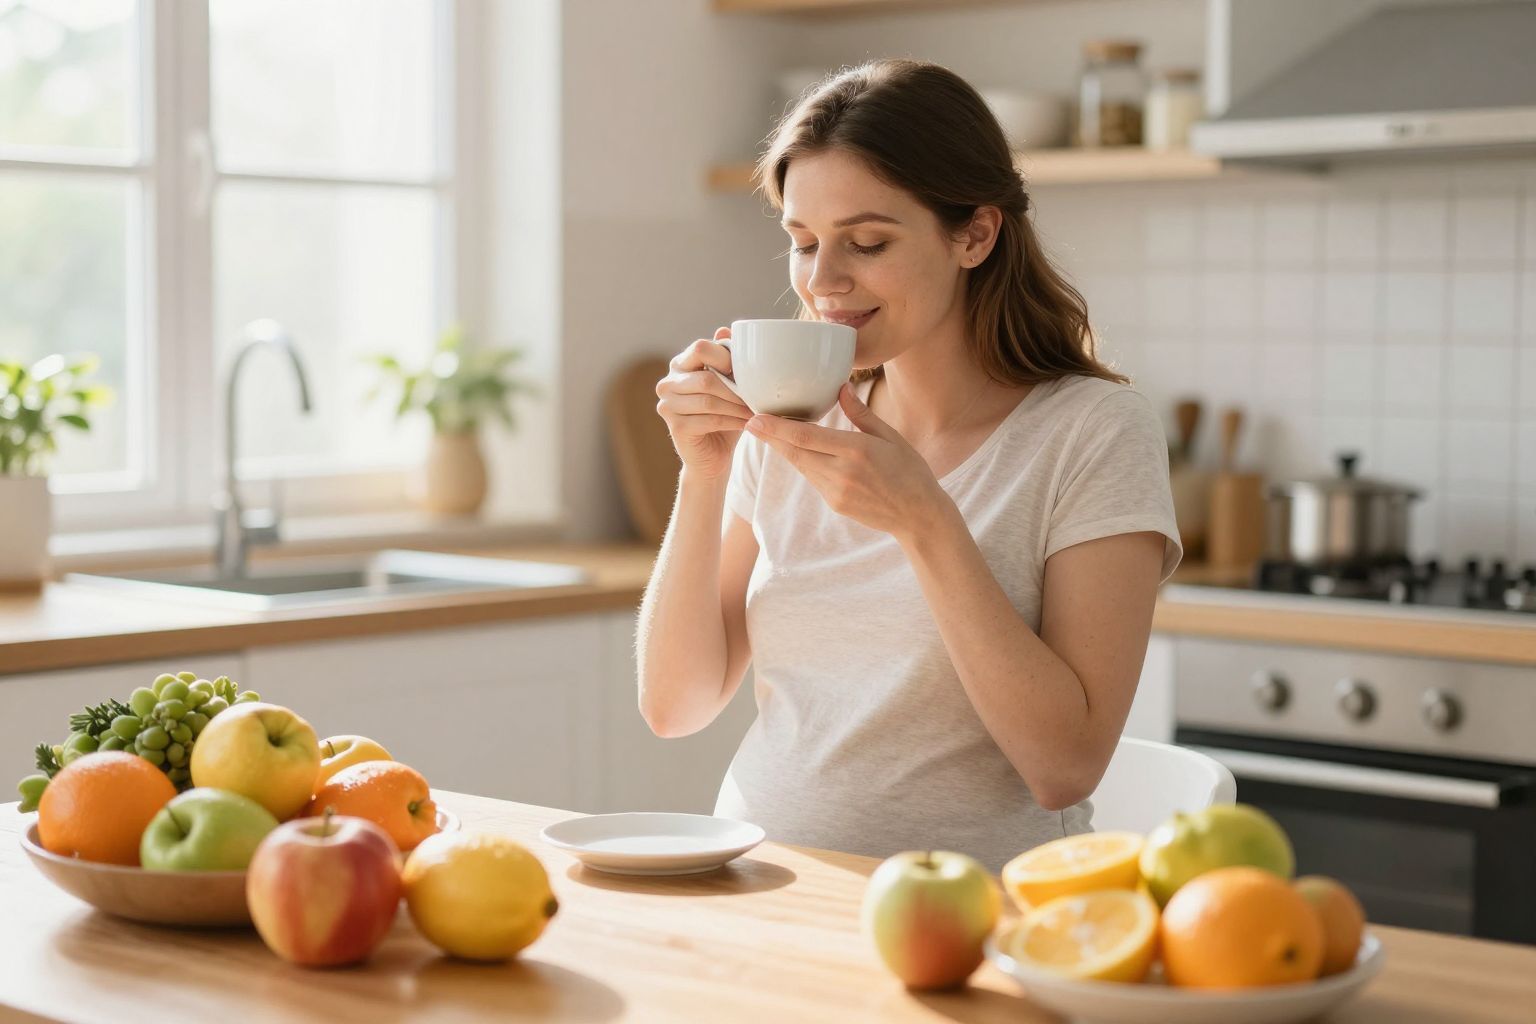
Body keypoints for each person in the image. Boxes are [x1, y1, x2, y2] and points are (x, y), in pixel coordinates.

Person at [637, 59, 1180, 873]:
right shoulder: (790, 421)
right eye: (803, 242)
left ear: (975, 235)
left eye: (867, 242)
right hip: (762, 887)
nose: (823, 281)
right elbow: (675, 706)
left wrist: (926, 523)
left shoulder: (1092, 433)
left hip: (970, 910)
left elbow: (1064, 768)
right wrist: (703, 473)